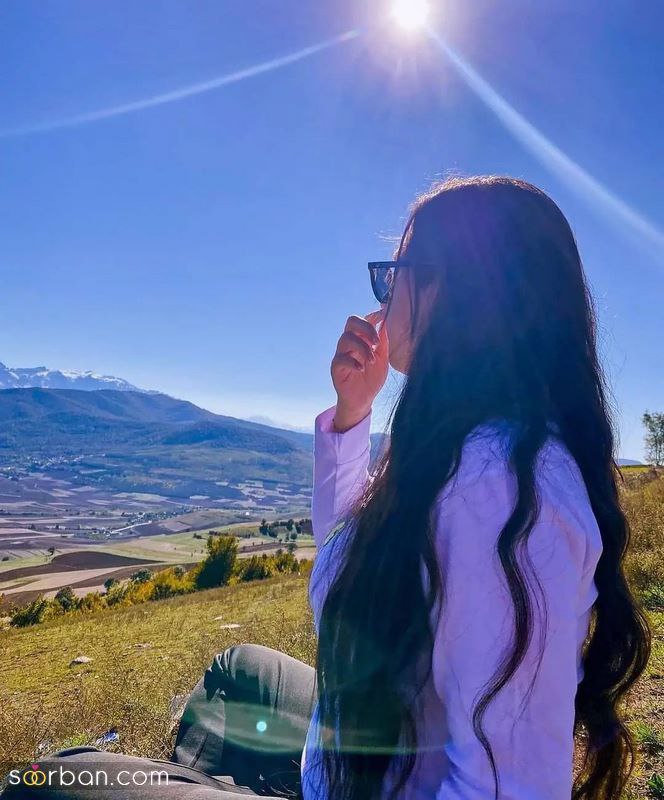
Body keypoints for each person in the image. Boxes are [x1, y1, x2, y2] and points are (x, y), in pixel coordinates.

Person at [3, 176, 650, 800]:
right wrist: (351, 413)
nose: (382, 295)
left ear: (456, 290)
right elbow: (352, 557)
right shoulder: (468, 450)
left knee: (45, 782)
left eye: (392, 274)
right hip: (363, 752)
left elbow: (513, 788)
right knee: (238, 672)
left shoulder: (501, 490)